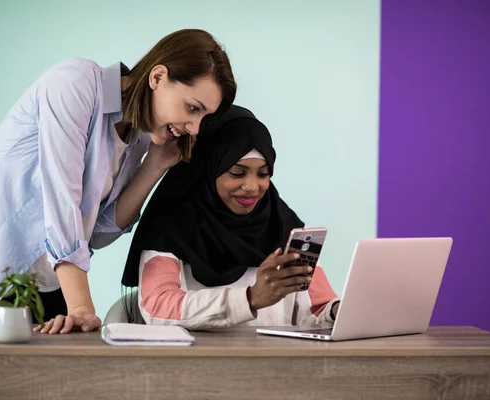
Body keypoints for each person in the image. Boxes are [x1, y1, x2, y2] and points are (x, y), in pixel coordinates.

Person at [0, 28, 236, 334]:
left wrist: (156, 164)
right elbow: (61, 204)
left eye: (204, 117)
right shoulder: (74, 84)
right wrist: (81, 307)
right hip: (0, 262)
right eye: (192, 108)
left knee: (54, 380)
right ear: (158, 77)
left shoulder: (139, 137)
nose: (195, 128)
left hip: (55, 279)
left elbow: (96, 234)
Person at [122, 106, 339, 329]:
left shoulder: (285, 228)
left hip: (276, 362)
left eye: (263, 174)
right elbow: (157, 306)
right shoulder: (169, 228)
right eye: (237, 173)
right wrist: (249, 299)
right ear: (207, 169)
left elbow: (318, 309)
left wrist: (336, 310)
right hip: (195, 363)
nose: (252, 186)